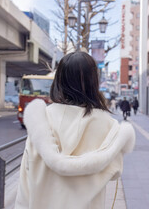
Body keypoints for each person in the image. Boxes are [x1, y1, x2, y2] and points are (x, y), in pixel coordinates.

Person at [15, 52, 135, 209]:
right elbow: (115, 172)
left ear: (59, 80)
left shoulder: (41, 119)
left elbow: (25, 183)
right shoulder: (108, 125)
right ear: (94, 81)